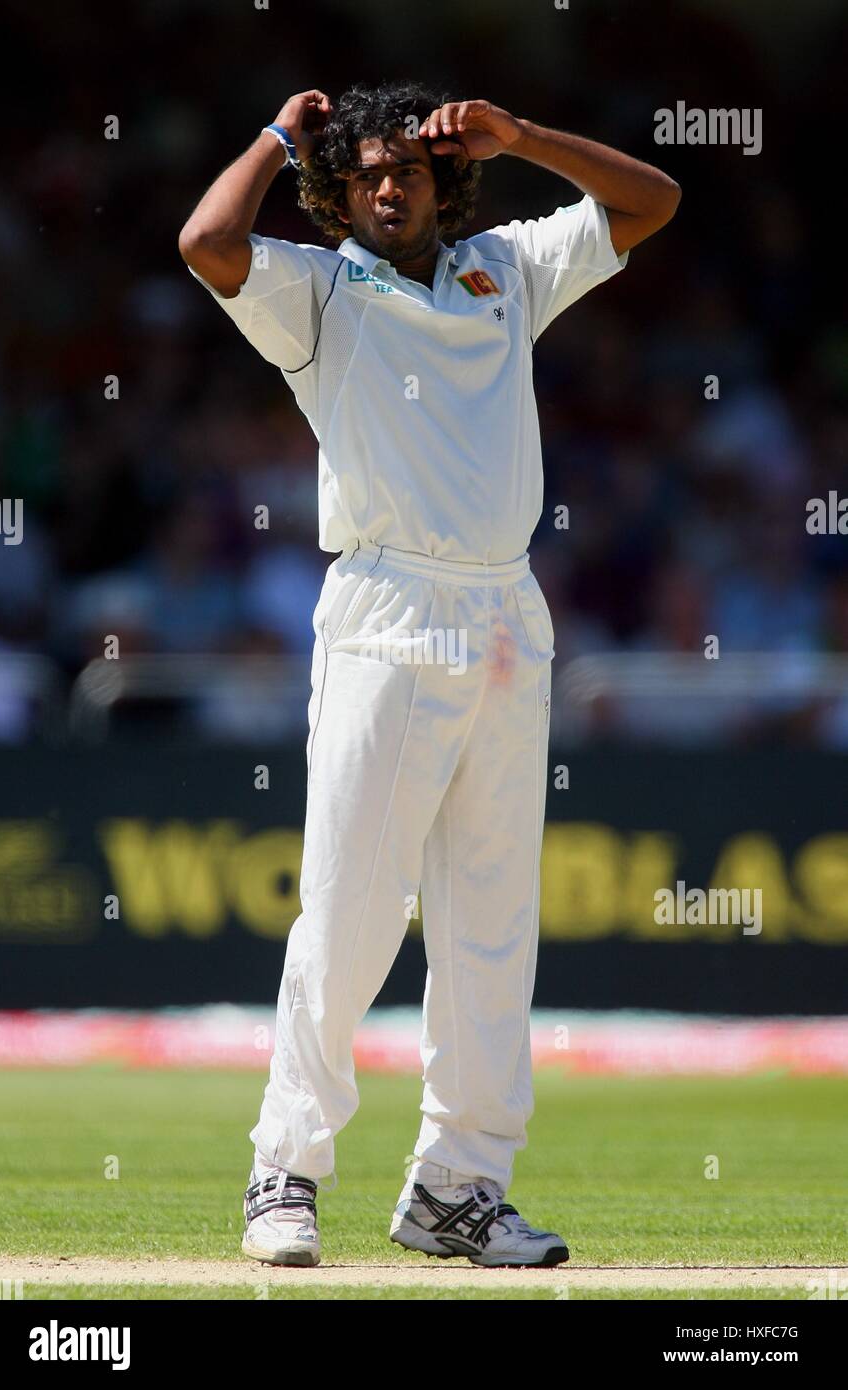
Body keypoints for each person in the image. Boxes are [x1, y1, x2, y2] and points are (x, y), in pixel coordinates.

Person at [179, 81, 680, 1268]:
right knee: (351, 909)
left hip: (506, 608)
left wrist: (523, 140)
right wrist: (269, 133)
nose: (389, 188)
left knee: (490, 921)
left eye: (407, 168)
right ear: (336, 191)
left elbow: (654, 202)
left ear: (445, 182)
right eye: (364, 176)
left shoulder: (504, 266)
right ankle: (283, 1172)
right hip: (386, 604)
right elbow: (206, 243)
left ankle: (458, 1186)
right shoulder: (316, 289)